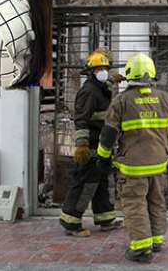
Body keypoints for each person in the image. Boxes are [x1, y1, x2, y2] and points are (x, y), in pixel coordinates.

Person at [96, 53, 168, 263]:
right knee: (156, 201)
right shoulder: (165, 99)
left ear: (129, 74)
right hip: (159, 163)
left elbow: (108, 135)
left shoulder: (121, 101)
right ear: (151, 73)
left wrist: (103, 158)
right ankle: (156, 240)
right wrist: (167, 150)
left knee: (134, 204)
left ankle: (141, 248)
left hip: (133, 167)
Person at [59, 49, 123, 236]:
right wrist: (82, 145)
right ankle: (71, 222)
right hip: (91, 146)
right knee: (85, 183)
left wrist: (113, 80)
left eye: (105, 67)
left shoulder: (101, 87)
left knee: (102, 182)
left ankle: (106, 219)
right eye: (99, 68)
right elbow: (81, 120)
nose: (104, 70)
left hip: (102, 145)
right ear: (90, 72)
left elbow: (105, 90)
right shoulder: (88, 91)